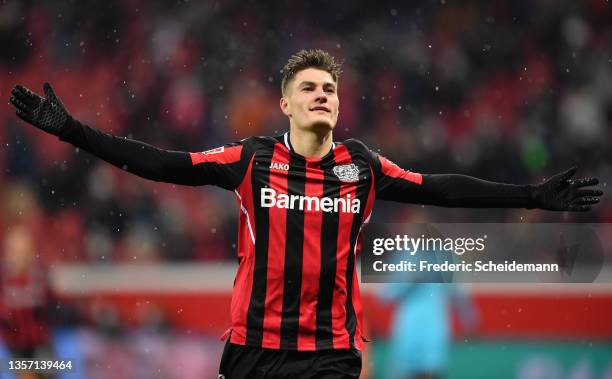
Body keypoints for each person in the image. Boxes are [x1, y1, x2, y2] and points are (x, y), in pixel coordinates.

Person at [8, 49, 602, 379]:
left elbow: (442, 189)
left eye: (331, 89)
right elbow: (159, 163)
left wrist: (530, 196)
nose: (324, 95)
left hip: (328, 354)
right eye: (311, 87)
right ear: (286, 102)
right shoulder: (250, 160)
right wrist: (74, 132)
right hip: (251, 351)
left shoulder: (361, 166)